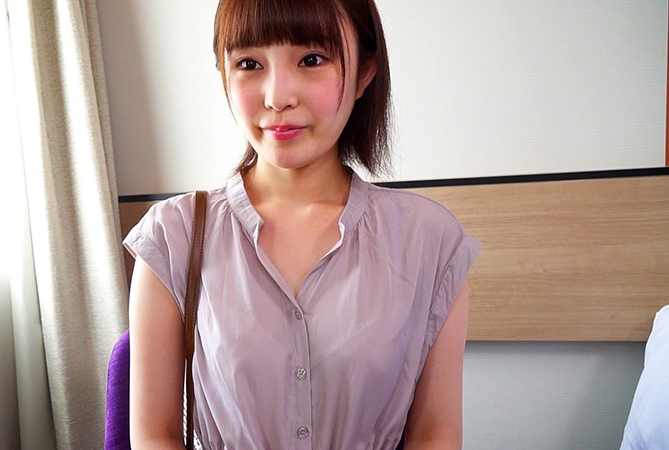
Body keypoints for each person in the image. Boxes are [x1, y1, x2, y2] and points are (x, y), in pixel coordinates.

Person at [124, 0, 481, 448]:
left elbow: (436, 432)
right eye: (249, 64)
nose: (277, 97)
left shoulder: (430, 240)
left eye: (312, 59)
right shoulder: (172, 236)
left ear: (365, 73)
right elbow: (154, 436)